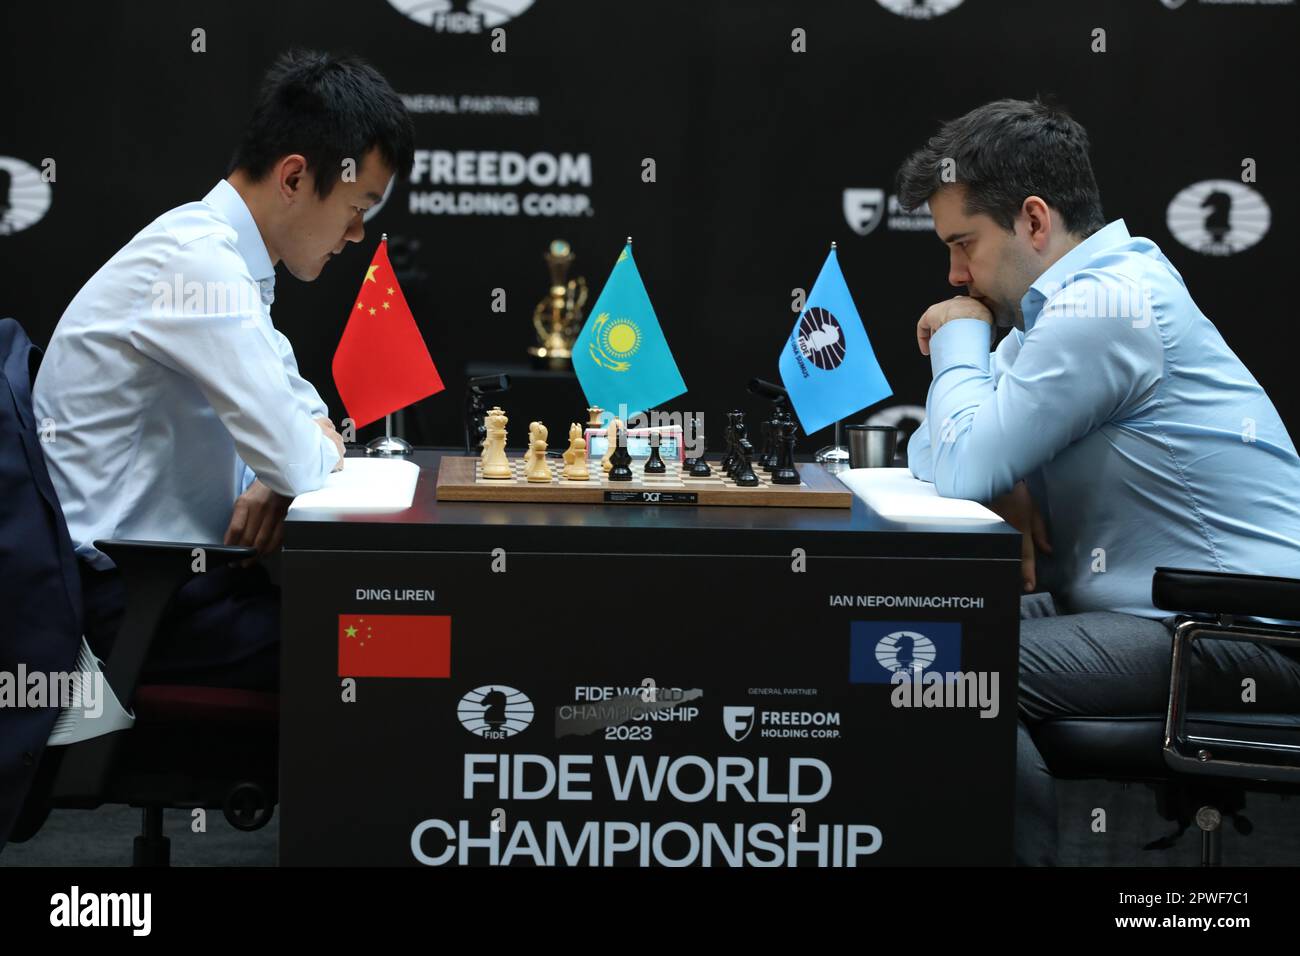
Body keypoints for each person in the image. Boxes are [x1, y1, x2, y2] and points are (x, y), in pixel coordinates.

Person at [897, 97, 1300, 864]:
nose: (955, 275)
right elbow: (944, 454)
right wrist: (998, 471)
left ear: (1035, 221)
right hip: (1180, 620)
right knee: (900, 643)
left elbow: (961, 459)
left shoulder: (1105, 307)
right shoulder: (1075, 304)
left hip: (1244, 635)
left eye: (963, 245)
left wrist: (958, 338)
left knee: (948, 669)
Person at [33, 50, 415, 691]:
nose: (355, 234)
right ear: (294, 178)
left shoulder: (228, 259)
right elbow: (297, 452)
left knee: (393, 639)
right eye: (358, 206)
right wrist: (286, 466)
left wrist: (283, 467)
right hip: (117, 608)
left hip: (165, 589)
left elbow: (307, 417)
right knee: (390, 653)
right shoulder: (197, 265)